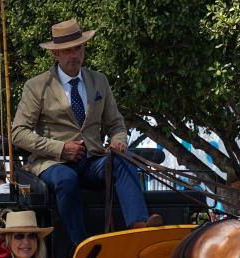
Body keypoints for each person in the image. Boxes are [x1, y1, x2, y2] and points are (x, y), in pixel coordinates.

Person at [11, 18, 163, 245]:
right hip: (54, 164)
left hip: (93, 160)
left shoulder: (99, 81)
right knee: (66, 179)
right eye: (68, 50)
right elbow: (18, 133)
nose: (74, 55)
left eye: (78, 48)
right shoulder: (37, 86)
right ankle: (81, 245)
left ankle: (138, 226)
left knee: (123, 160)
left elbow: (116, 124)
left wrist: (118, 140)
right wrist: (61, 149)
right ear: (56, 54)